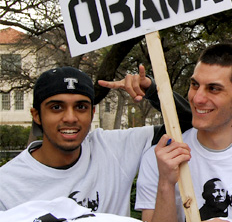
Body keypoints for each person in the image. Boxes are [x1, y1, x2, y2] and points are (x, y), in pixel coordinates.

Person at [0, 66, 190, 214]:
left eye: (81, 107)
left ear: (92, 113)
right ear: (36, 115)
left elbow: (187, 123)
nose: (70, 118)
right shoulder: (7, 184)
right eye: (56, 107)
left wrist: (152, 91)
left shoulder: (112, 148)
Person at [134, 43, 232, 222]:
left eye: (214, 89)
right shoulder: (159, 158)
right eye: (195, 85)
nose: (197, 98)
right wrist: (166, 183)